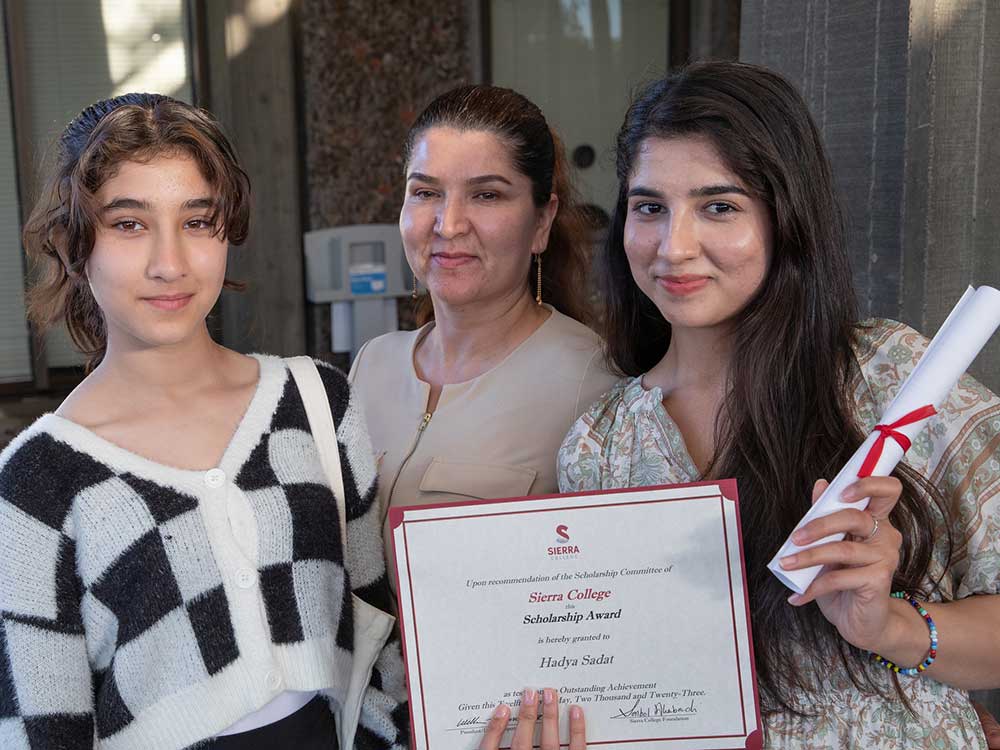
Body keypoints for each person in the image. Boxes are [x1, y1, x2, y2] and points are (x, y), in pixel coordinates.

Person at [558, 61, 1000, 748]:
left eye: (719, 206)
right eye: (649, 207)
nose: (674, 246)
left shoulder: (895, 377)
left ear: (786, 217)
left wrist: (889, 625)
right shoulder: (600, 444)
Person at [0, 94, 406, 749]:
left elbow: (379, 643)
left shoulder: (317, 403)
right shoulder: (36, 482)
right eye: (129, 224)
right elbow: (37, 731)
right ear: (73, 243)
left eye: (197, 221)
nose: (170, 263)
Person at [348, 85, 617, 577]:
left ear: (542, 221)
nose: (448, 225)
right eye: (425, 192)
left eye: (486, 195)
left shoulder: (592, 384)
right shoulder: (371, 364)